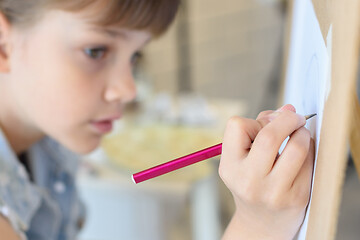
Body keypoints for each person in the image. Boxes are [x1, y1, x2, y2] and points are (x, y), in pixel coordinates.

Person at [0, 0, 314, 239]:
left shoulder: (48, 142)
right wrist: (257, 224)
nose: (128, 89)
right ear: (3, 44)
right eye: (96, 51)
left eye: (135, 55)